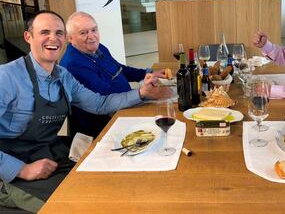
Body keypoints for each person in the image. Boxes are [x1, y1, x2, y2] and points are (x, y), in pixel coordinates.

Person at [0, 11, 172, 212]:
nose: (53, 38)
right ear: (28, 37)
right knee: (79, 206)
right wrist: (22, 169)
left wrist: (141, 93)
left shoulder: (63, 76)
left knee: (110, 188)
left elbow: (99, 104)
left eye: (58, 33)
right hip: (12, 171)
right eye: (44, 32)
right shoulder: (7, 77)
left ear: (65, 38)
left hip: (51, 155)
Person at [60, 11, 165, 138]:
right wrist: (142, 93)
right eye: (83, 33)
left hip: (125, 108)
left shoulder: (99, 48)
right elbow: (107, 99)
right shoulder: (73, 64)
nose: (91, 36)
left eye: (94, 30)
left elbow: (120, 69)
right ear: (70, 38)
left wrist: (147, 73)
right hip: (103, 127)